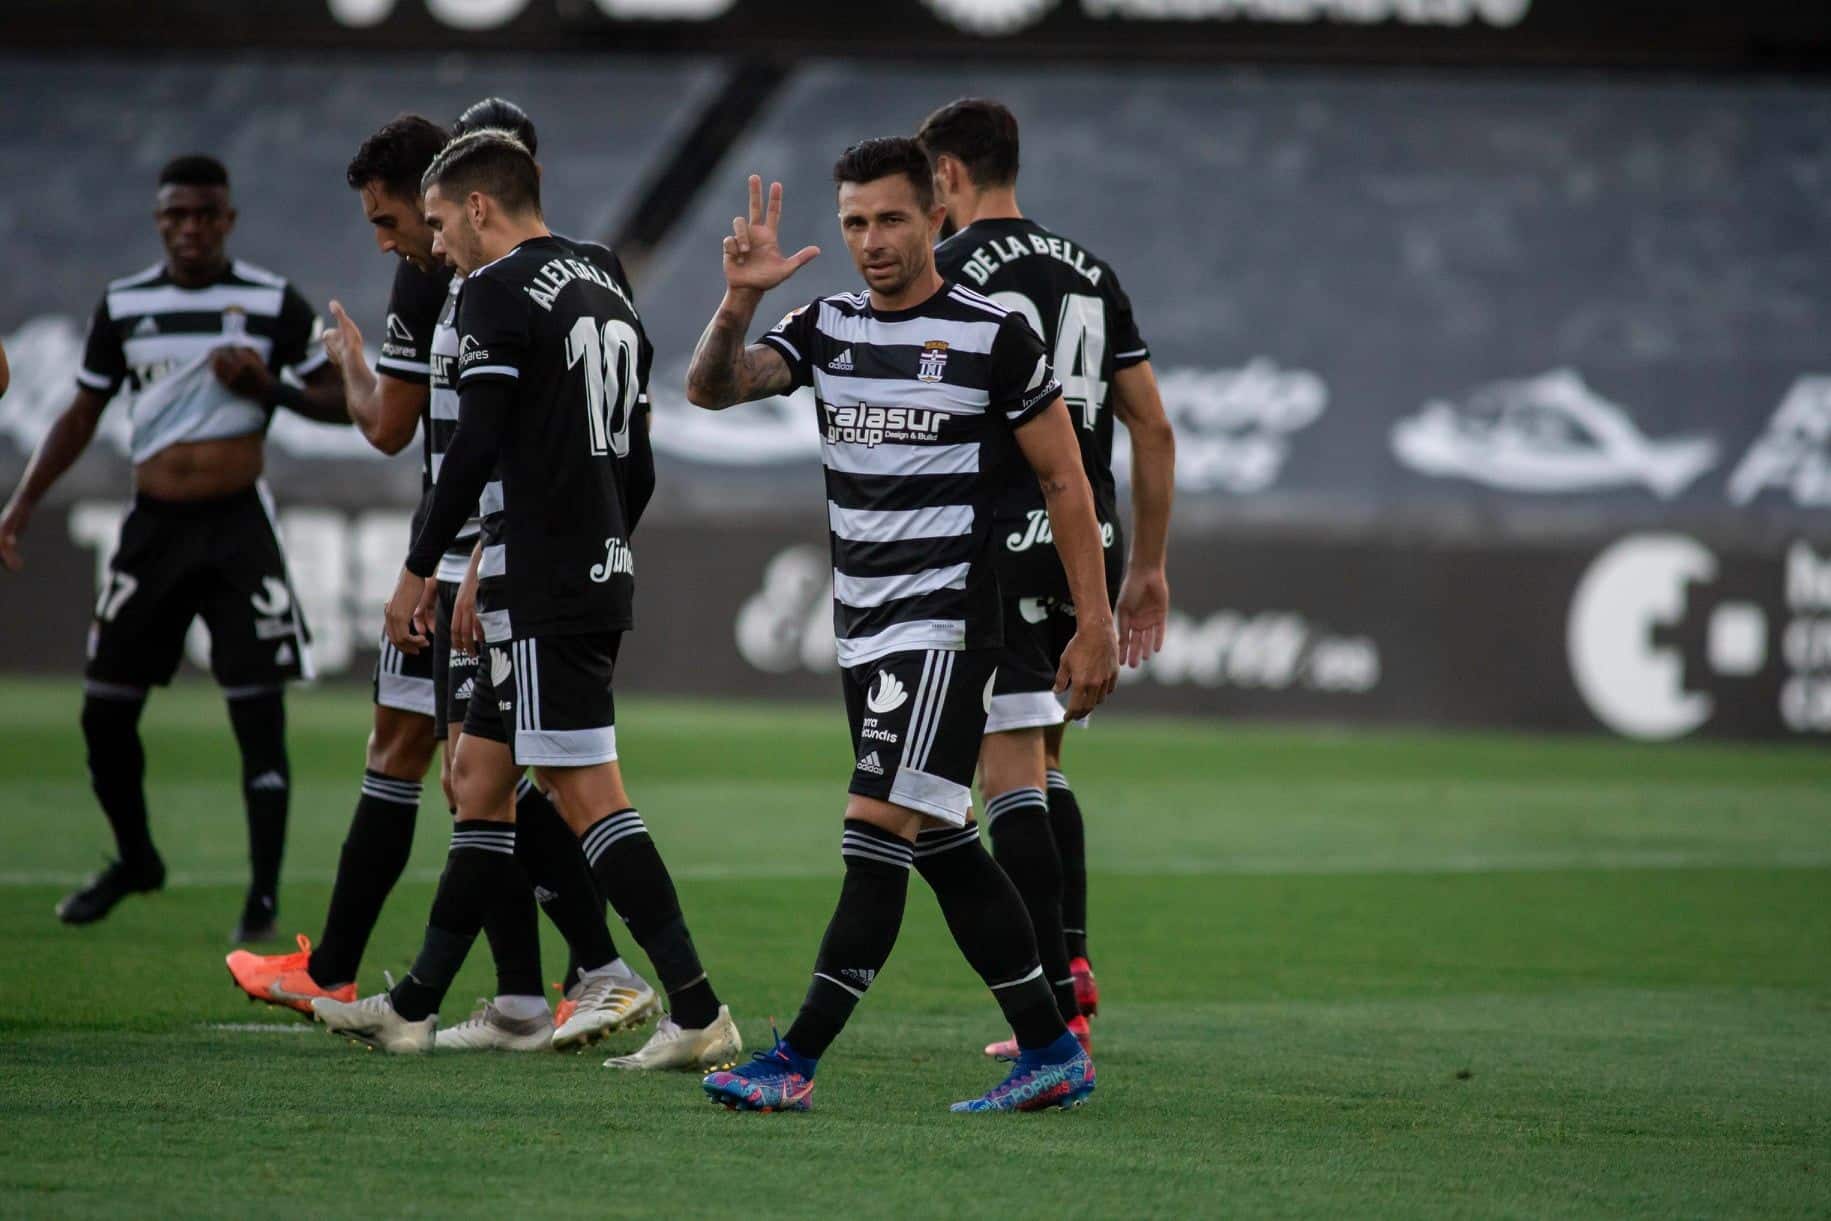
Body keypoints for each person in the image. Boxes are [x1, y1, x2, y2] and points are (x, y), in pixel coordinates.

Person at [687, 140, 1118, 1113]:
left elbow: (1065, 481)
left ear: (935, 217)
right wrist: (739, 299)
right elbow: (713, 389)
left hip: (948, 624)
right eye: (852, 223)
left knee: (872, 828)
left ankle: (792, 1058)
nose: (870, 242)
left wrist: (1091, 624)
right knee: (937, 841)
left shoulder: (989, 331)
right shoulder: (826, 325)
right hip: (863, 630)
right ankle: (1052, 1044)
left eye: (889, 219)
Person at [314, 131, 739, 1068]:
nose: (436, 247)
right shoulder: (601, 276)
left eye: (435, 223)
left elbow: (472, 446)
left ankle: (698, 1008)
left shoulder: (495, 291)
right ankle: (422, 1003)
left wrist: (421, 565)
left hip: (540, 572)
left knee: (585, 795)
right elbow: (636, 450)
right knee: (475, 777)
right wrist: (599, 544)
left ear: (477, 208)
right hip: (566, 559)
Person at [226, 109, 614, 1052]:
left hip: (474, 559)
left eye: (393, 220)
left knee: (493, 775)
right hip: (478, 549)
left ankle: (599, 972)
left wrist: (460, 553)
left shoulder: (469, 280)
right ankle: (524, 991)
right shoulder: (553, 273)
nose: (397, 243)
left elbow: (402, 428)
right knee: (461, 770)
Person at [0, 155, 347, 940]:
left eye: (204, 215)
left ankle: (261, 896)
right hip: (153, 526)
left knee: (258, 715)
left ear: (228, 219)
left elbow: (345, 403)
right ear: (160, 222)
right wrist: (20, 504)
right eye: (175, 217)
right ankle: (136, 857)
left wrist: (272, 389)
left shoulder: (268, 301)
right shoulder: (126, 304)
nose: (189, 229)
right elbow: (82, 412)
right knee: (104, 712)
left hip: (237, 528)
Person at [919, 98, 1176, 1054]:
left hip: (991, 533)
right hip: (1085, 534)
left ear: (945, 175)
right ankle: (1069, 964)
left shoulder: (944, 270)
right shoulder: (1089, 271)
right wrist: (1144, 564)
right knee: (1043, 756)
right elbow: (1152, 423)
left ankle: (1051, 1015)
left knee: (1006, 770)